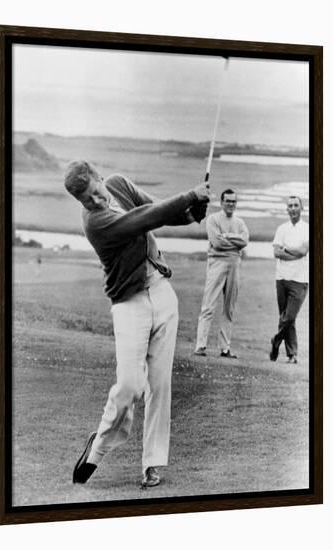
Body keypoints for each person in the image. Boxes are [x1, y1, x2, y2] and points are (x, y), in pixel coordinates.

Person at [64, 160, 210, 488]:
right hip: (130, 304)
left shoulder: (119, 183)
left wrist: (189, 214)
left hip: (162, 293)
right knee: (129, 385)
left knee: (160, 386)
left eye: (97, 191)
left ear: (102, 178)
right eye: (88, 199)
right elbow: (141, 220)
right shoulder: (96, 223)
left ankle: (153, 464)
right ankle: (98, 448)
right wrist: (189, 194)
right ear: (81, 202)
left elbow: (154, 207)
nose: (97, 200)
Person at [194, 189, 249, 358]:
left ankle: (225, 348)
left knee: (229, 307)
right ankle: (200, 346)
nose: (231, 204)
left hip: (234, 265)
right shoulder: (213, 219)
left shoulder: (239, 222)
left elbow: (245, 240)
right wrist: (235, 243)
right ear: (222, 202)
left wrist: (228, 236)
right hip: (217, 263)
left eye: (233, 201)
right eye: (228, 201)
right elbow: (216, 243)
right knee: (208, 305)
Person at [269, 196, 309, 364]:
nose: (293, 209)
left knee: (290, 316)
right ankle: (292, 354)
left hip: (300, 279)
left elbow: (302, 252)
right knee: (285, 316)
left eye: (296, 206)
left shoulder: (307, 228)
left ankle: (276, 339)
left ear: (302, 208)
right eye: (290, 206)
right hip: (281, 278)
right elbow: (276, 253)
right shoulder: (282, 228)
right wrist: (289, 252)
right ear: (287, 209)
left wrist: (286, 249)